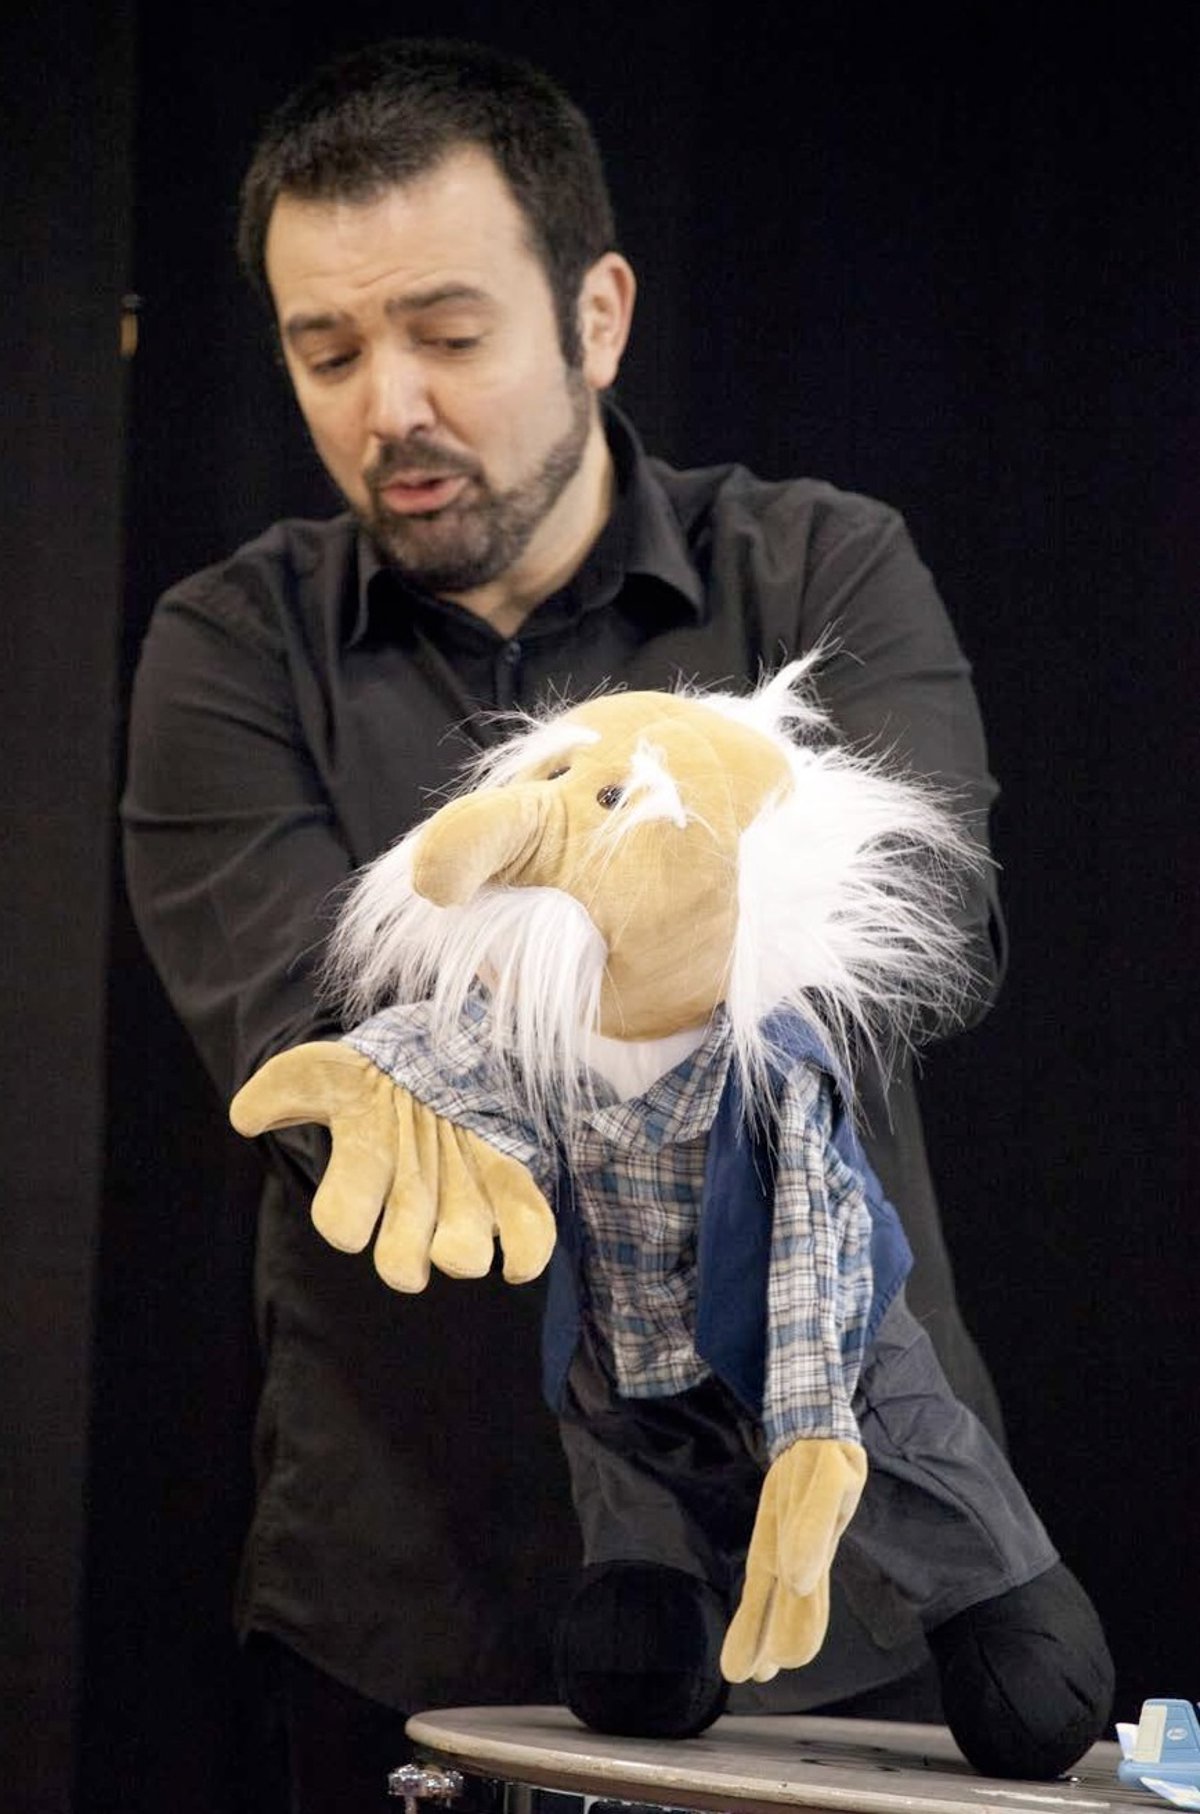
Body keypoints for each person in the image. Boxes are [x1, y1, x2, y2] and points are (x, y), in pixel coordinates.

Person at [123, 36, 1041, 1811]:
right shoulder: (231, 646)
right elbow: (311, 1022)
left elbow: (922, 934)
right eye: (328, 349)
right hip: (406, 1589)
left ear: (596, 316)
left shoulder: (821, 568)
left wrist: (504, 999)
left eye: (447, 334)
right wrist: (674, 941)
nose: (387, 405)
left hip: (833, 1581)